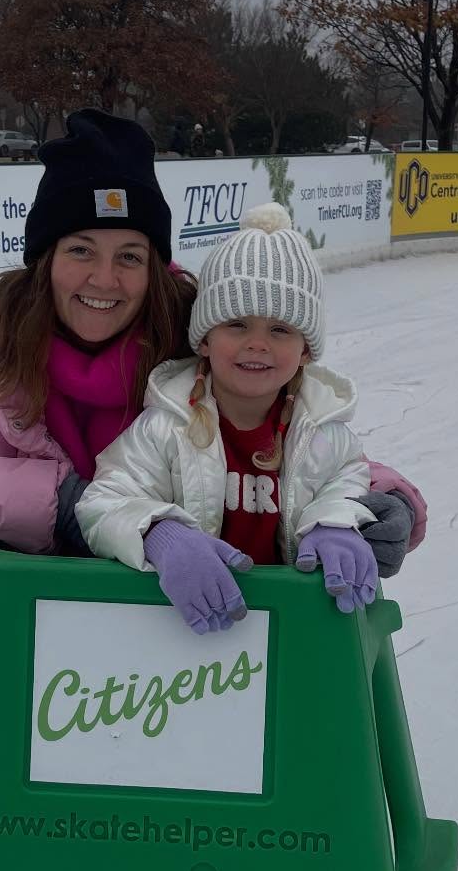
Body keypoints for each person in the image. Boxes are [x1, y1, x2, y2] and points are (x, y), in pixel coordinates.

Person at [0, 110, 425, 574]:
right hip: (26, 641)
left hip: (183, 652)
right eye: (81, 250)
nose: (104, 280)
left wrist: (378, 501)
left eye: (129, 256)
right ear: (44, 259)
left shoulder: (196, 335)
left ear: (153, 266)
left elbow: (284, 433)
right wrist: (59, 504)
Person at [77, 205, 384, 633]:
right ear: (204, 340)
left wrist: (335, 522)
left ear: (306, 352)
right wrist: (159, 534)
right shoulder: (166, 426)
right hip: (189, 633)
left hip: (290, 627)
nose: (257, 344)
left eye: (280, 330)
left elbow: (348, 481)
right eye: (237, 325)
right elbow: (102, 503)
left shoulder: (325, 434)